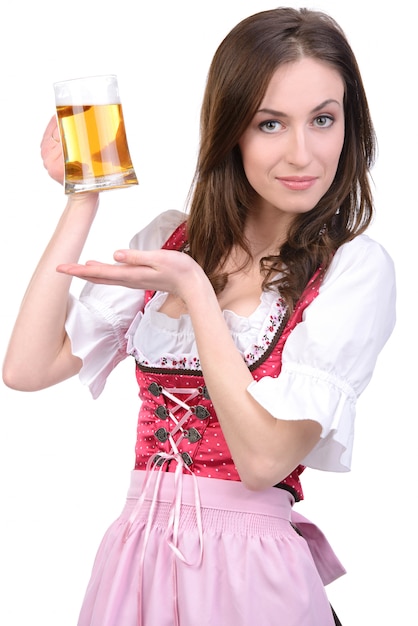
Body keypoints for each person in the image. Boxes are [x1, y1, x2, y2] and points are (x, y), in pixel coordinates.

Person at [2, 7, 396, 626]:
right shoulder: (174, 238)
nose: (303, 153)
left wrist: (195, 290)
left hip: (252, 570)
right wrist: (83, 199)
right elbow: (26, 368)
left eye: (324, 119)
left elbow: (263, 461)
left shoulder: (354, 270)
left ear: (351, 125)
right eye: (272, 123)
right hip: (137, 557)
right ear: (231, 130)